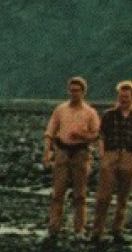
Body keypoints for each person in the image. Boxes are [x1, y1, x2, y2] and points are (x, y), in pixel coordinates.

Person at [90, 79, 132, 243]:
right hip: (111, 155)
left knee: (123, 196)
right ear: (118, 97)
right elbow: (101, 136)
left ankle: (117, 229)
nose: (124, 100)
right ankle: (97, 230)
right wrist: (102, 155)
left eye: (127, 97)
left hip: (129, 156)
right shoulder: (109, 115)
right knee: (104, 196)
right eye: (122, 97)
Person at [43, 76, 101, 238]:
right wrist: (47, 152)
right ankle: (53, 227)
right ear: (68, 91)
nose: (74, 93)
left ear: (83, 92)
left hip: (81, 153)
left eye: (78, 90)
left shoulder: (90, 112)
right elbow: (50, 132)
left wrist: (82, 135)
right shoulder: (61, 109)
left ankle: (79, 229)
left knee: (80, 193)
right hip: (62, 151)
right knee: (58, 192)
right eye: (72, 90)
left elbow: (97, 134)